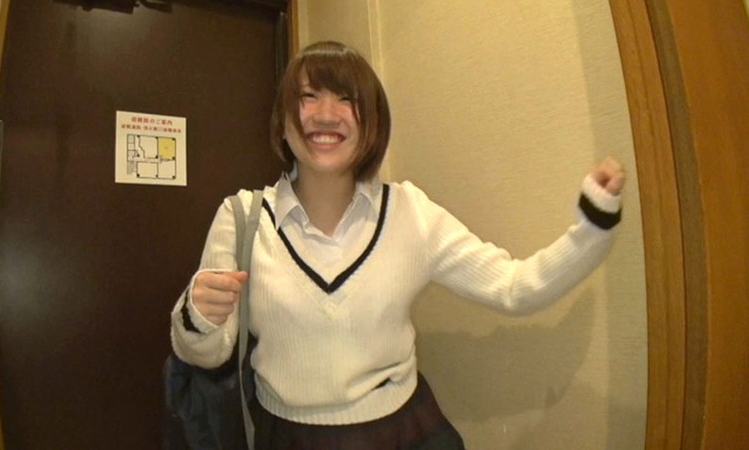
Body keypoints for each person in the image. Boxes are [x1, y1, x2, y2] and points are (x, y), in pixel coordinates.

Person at [171, 40, 625, 450]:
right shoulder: (241, 217)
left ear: (372, 124)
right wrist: (198, 315)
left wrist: (592, 227)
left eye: (346, 99)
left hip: (406, 432)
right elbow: (209, 353)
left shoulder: (410, 212)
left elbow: (514, 287)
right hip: (285, 436)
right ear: (283, 123)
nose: (326, 114)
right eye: (308, 96)